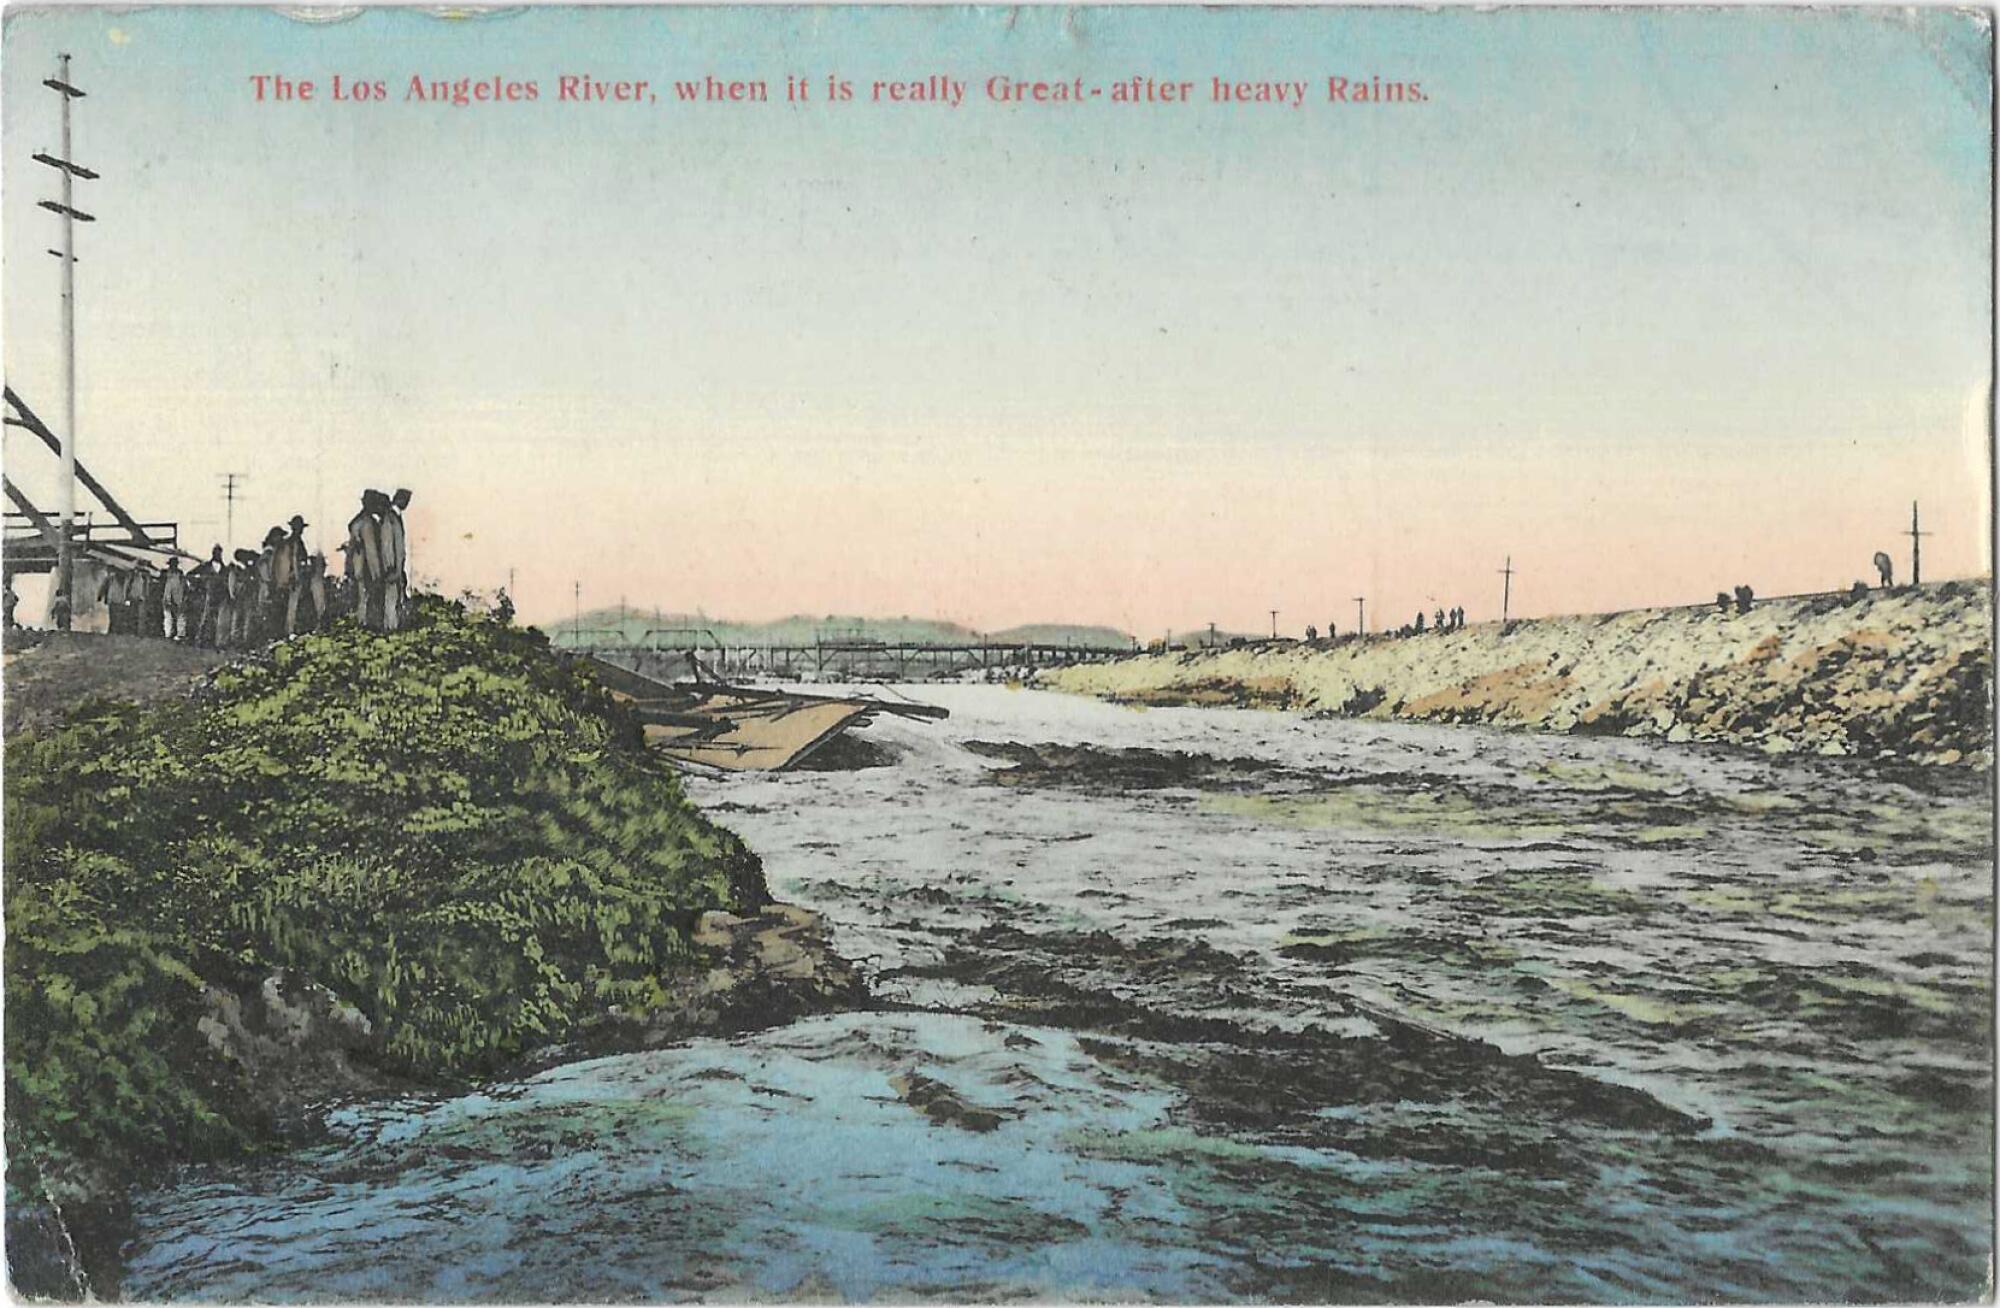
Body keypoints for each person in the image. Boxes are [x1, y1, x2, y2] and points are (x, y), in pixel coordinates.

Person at [348, 491, 388, 630]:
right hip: (367, 567)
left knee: (361, 596)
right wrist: (376, 573)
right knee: (369, 596)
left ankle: (362, 624)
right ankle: (367, 625)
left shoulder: (356, 522)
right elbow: (371, 550)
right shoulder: (368, 523)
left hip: (357, 565)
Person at [383, 488, 412, 631]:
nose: (407, 503)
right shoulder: (390, 518)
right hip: (392, 567)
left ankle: (393, 626)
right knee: (391, 598)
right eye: (405, 500)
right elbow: (387, 544)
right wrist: (390, 566)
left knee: (396, 597)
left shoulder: (396, 517)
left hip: (397, 566)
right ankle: (390, 627)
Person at [276, 515, 311, 636]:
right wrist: (297, 575)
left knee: (290, 604)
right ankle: (291, 631)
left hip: (288, 576)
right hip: (295, 575)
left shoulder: (288, 541)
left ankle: (289, 630)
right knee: (294, 604)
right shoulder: (296, 541)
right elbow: (295, 559)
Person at [162, 557, 189, 640]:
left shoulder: (180, 574)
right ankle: (168, 633)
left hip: (178, 595)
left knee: (180, 615)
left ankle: (180, 634)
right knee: (168, 616)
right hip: (168, 595)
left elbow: (184, 586)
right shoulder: (166, 574)